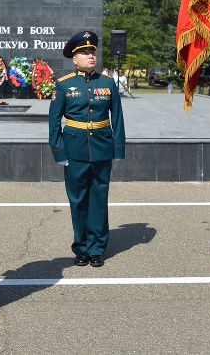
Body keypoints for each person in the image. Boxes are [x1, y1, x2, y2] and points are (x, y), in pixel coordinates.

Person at [49, 31, 125, 268]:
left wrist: (117, 148)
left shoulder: (108, 83)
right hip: (75, 150)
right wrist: (59, 152)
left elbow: (118, 119)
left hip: (102, 148)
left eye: (92, 52)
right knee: (78, 200)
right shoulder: (63, 85)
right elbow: (54, 121)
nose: (90, 56)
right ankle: (81, 247)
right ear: (75, 58)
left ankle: (97, 248)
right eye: (84, 52)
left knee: (99, 200)